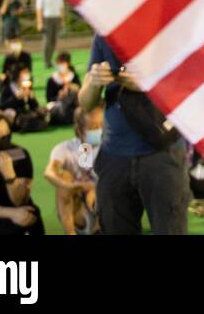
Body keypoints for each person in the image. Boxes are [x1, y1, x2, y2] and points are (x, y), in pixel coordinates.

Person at [79, 34, 191, 234]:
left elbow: (193, 85)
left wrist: (149, 85)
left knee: (170, 229)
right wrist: (94, 83)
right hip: (114, 156)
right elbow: (86, 103)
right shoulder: (105, 31)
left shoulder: (172, 25)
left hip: (162, 151)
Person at [44, 105, 103, 234]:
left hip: (99, 207)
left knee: (99, 186)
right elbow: (49, 172)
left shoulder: (108, 148)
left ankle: (99, 228)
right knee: (64, 176)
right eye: (93, 127)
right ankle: (70, 232)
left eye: (102, 125)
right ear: (80, 130)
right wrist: (71, 186)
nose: (99, 130)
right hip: (76, 212)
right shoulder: (65, 148)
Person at [0, 67, 48, 132]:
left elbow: (34, 106)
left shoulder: (27, 86)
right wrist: (16, 97)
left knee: (42, 111)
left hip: (24, 113)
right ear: (17, 76)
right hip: (14, 114)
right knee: (21, 118)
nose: (27, 75)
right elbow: (1, 106)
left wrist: (31, 98)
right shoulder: (7, 88)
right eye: (24, 74)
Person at [46, 52, 81, 126]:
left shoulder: (73, 76)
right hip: (58, 105)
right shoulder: (52, 80)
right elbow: (49, 98)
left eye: (62, 63)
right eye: (59, 63)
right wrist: (59, 97)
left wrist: (74, 88)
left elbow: (81, 94)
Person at [34, 0, 66, 67]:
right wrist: (39, 22)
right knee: (47, 41)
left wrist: (62, 21)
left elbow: (61, 9)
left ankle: (50, 59)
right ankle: (46, 61)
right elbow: (39, 10)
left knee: (54, 41)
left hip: (56, 18)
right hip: (47, 19)